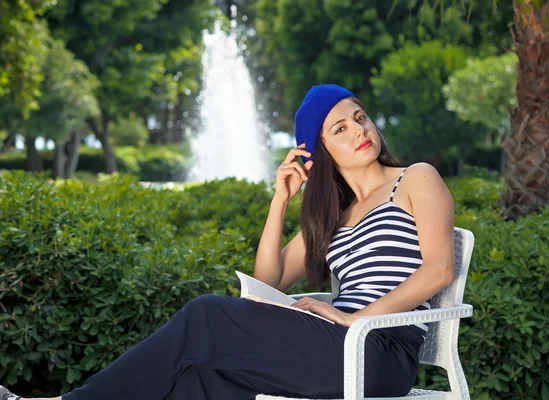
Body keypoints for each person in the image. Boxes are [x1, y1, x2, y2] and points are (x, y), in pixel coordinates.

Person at [0, 84, 456, 400]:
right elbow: (267, 283)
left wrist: (353, 317)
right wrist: (279, 202)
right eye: (340, 129)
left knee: (204, 313)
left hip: (379, 351)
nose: (359, 130)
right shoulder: (334, 216)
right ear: (318, 154)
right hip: (338, 342)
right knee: (198, 381)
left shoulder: (415, 179)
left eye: (360, 118)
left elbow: (438, 270)